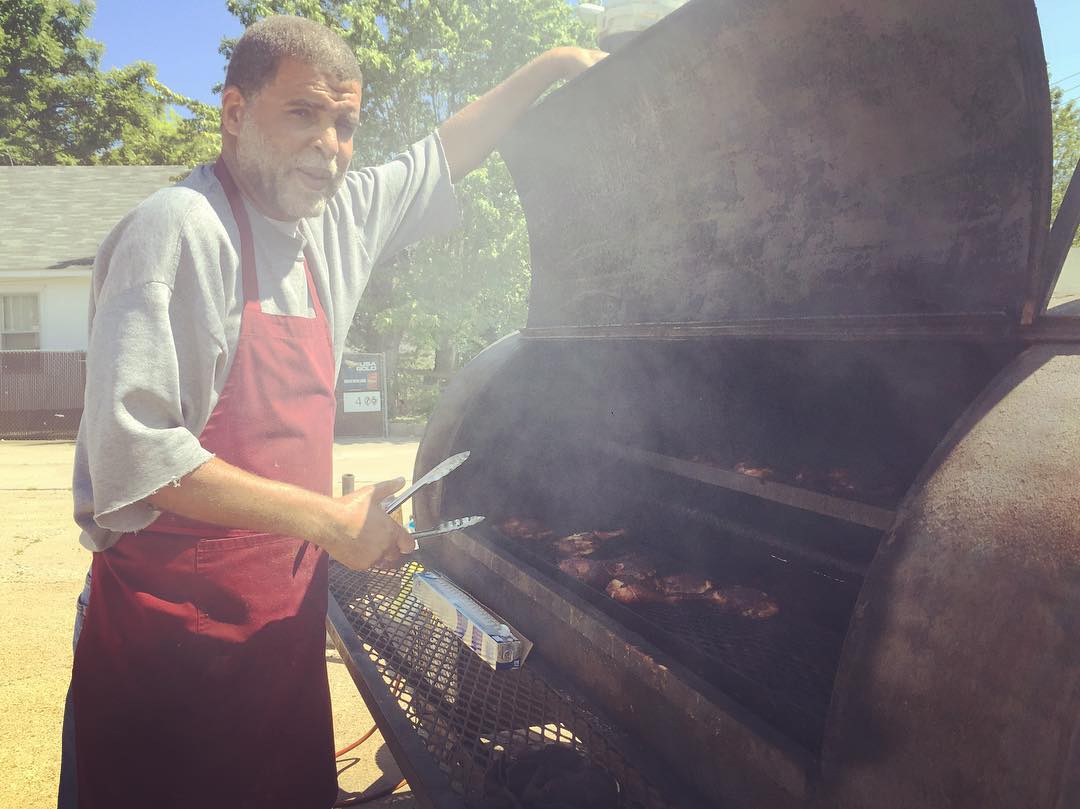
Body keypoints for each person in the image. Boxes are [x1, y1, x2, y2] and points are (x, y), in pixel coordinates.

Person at [60, 15, 604, 809]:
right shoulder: (177, 231)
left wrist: (550, 63)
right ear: (235, 112)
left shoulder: (329, 224)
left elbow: (441, 155)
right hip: (167, 656)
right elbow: (133, 453)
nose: (330, 144)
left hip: (277, 650)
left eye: (346, 123)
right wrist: (327, 519)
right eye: (303, 113)